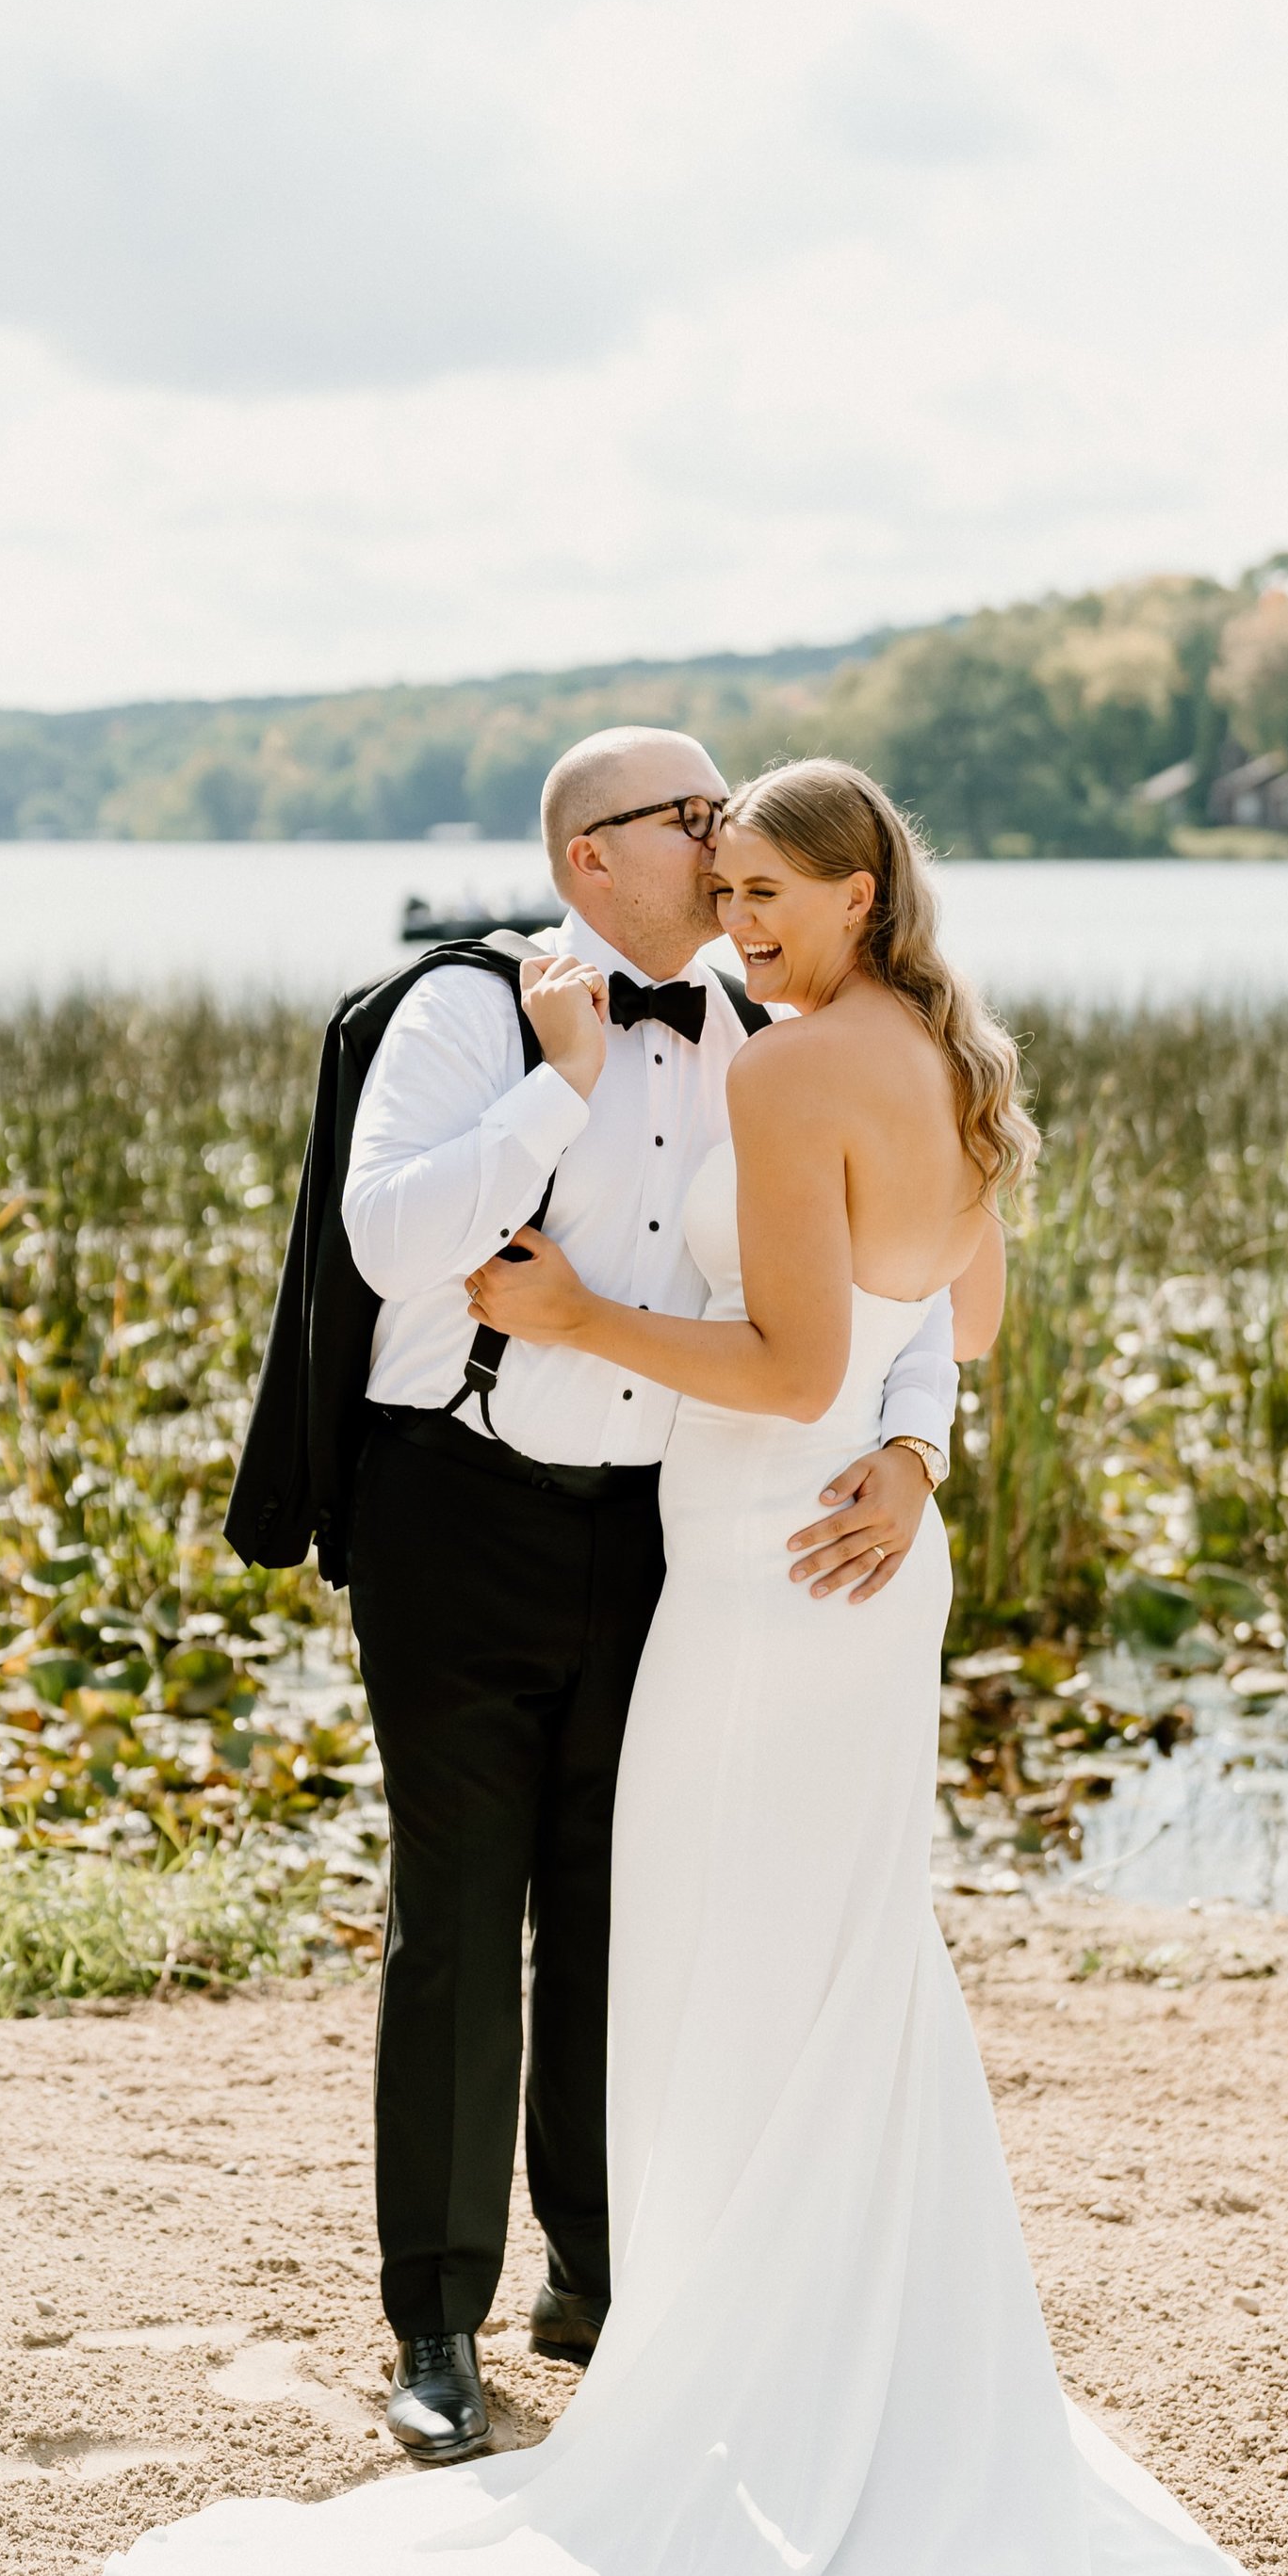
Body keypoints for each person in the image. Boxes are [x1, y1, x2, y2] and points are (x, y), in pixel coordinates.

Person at [0, 758, 1264, 2576]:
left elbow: (866, 1339)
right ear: (605, 856)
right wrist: (572, 1113)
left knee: (684, 1949)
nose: (727, 895)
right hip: (524, 1530)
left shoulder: (787, 1052)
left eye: (757, 869)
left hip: (723, 1560)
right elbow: (441, 1243)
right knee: (601, 1940)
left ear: (839, 893)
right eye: (706, 855)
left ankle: (665, 2315)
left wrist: (862, 1435)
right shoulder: (507, 1014)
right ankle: (510, 2319)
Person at [333, 725, 958, 2458]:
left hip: (669, 1532)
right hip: (456, 1509)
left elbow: (910, 1292)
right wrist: (559, 1080)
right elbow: (387, 1239)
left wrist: (916, 1452)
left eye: (728, 822)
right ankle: (440, 2320)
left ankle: (602, 2275)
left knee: (628, 1905)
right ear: (592, 855)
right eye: (690, 820)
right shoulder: (461, 1010)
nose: (718, 840)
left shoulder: (782, 1027)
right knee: (460, 1917)